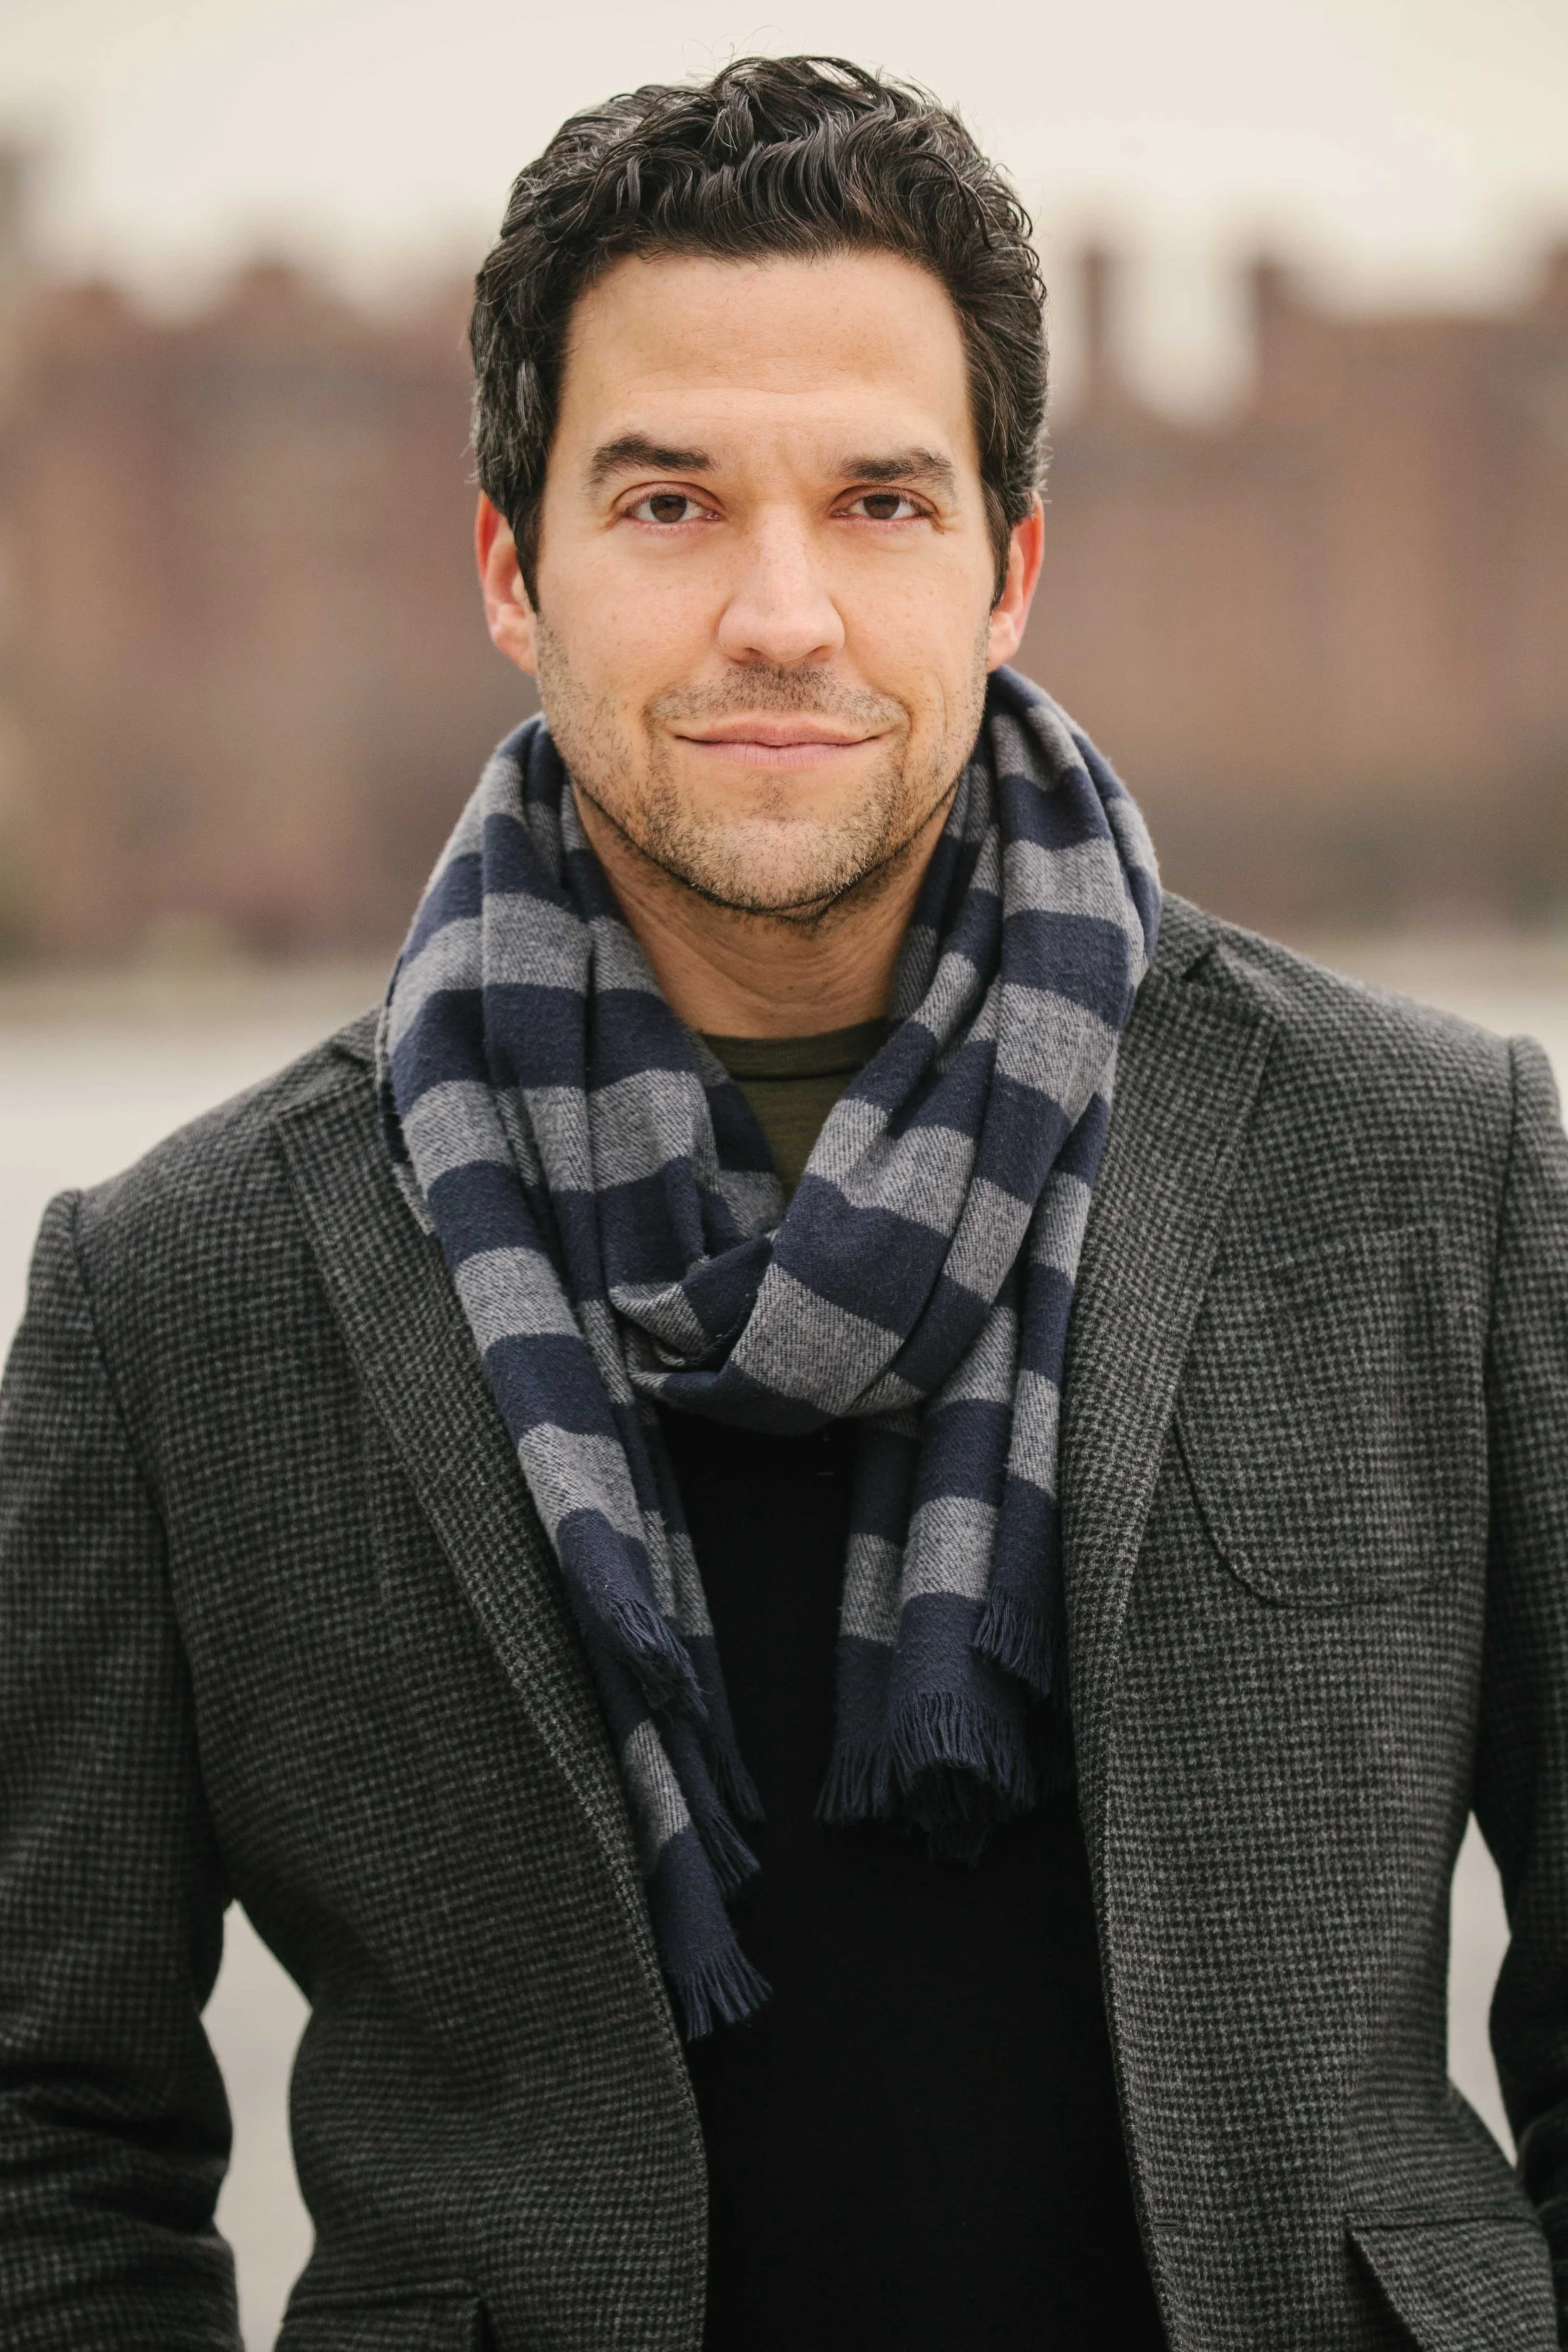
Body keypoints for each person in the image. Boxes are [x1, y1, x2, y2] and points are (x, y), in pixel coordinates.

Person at [1, 53, 1564, 2352]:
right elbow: (48, 2133)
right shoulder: (180, 1302)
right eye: (664, 503)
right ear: (509, 570)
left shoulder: (1432, 1183)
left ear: (1009, 565)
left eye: (879, 502)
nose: (780, 609)